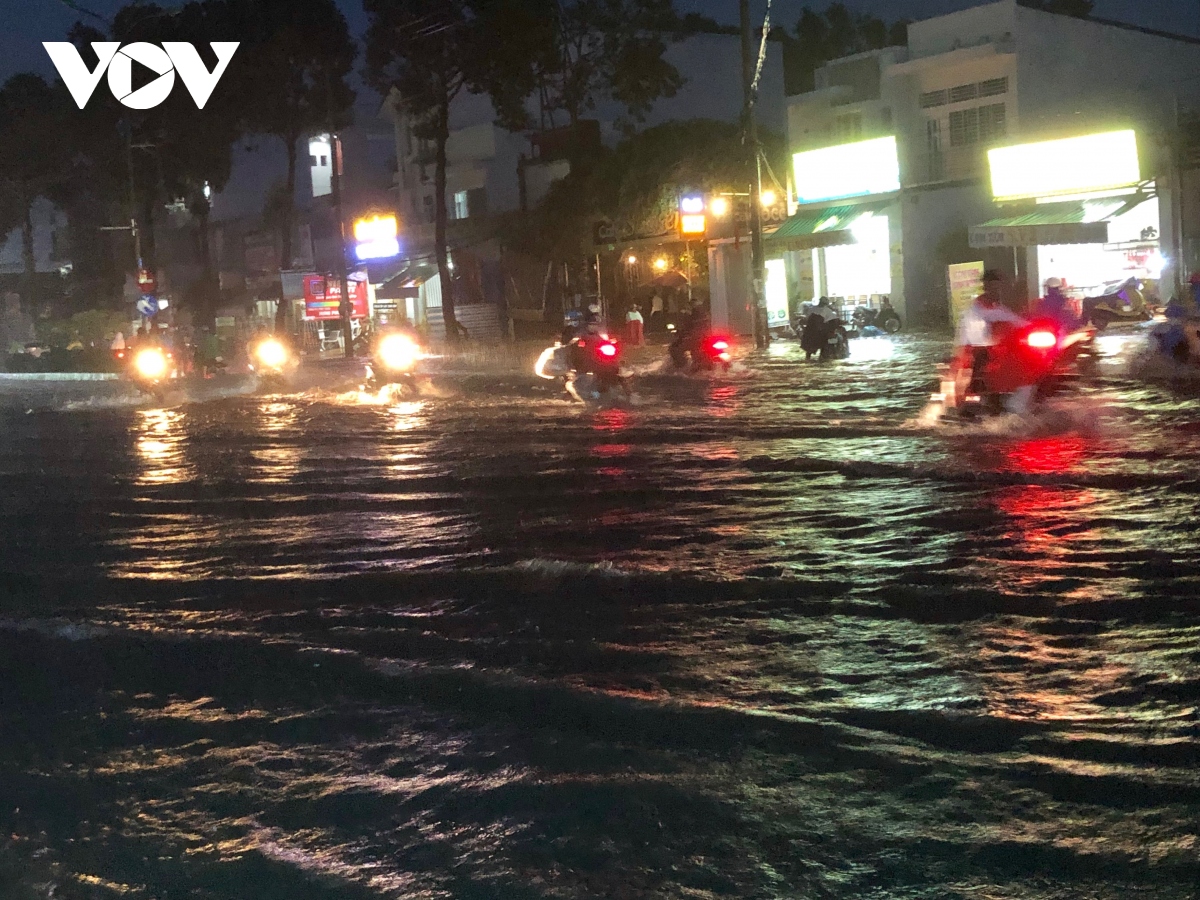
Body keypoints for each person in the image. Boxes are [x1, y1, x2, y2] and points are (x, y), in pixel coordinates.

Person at [956, 270, 1026, 390]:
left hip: (998, 353)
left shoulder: (998, 309)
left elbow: (1018, 322)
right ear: (986, 286)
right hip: (981, 353)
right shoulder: (976, 311)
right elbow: (967, 338)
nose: (997, 291)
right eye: (994, 286)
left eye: (998, 287)